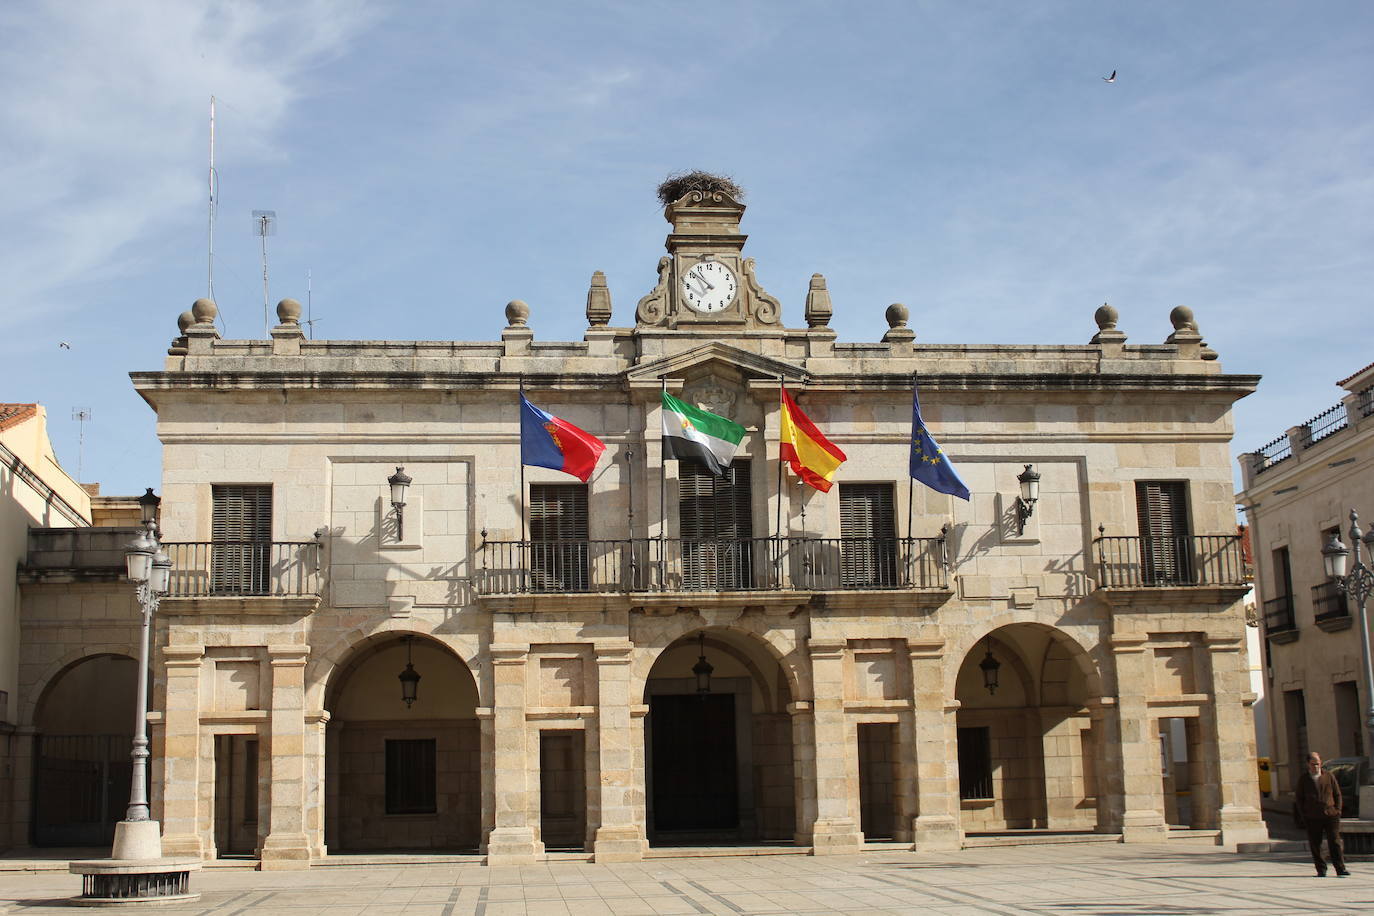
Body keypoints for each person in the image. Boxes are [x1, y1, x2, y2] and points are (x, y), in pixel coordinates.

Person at [1294, 751, 1348, 877]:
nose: (1316, 767)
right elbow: (1299, 799)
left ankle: (1340, 868)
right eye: (1313, 764)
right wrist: (1304, 815)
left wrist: (1338, 810)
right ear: (1308, 764)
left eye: (1318, 764)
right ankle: (1321, 869)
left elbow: (1337, 794)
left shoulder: (1329, 776)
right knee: (1316, 843)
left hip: (1330, 814)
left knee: (1334, 841)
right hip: (1313, 816)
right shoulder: (1304, 779)